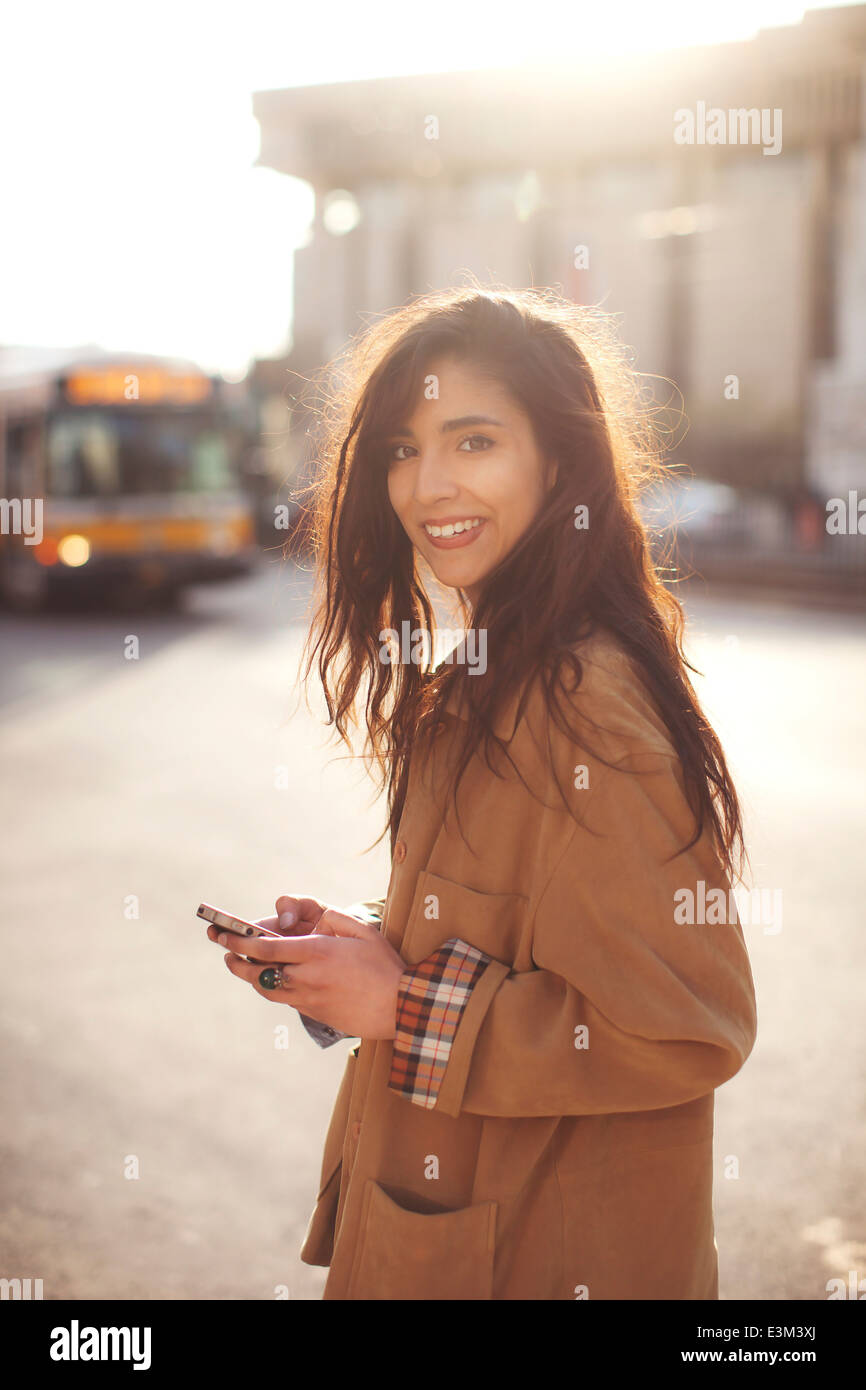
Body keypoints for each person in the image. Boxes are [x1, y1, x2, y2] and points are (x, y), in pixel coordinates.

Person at [206, 285, 758, 1300]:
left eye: (471, 441)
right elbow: (525, 927)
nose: (426, 486)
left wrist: (401, 1002)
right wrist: (367, 942)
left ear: (557, 460)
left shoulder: (581, 698)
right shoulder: (493, 668)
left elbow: (686, 1021)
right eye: (401, 450)